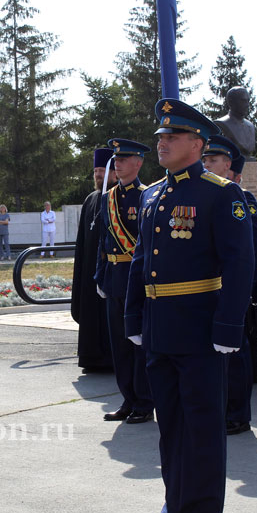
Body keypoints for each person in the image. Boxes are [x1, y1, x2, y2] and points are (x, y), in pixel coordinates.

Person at [126, 99, 253, 513]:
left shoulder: (221, 194)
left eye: (171, 137)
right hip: (160, 327)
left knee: (202, 428)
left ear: (197, 144)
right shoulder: (152, 193)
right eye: (160, 137)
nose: (162, 143)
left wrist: (228, 326)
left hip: (200, 328)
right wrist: (133, 316)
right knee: (171, 428)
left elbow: (240, 263)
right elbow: (142, 260)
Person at [201, 135, 257, 435]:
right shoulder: (203, 195)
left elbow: (256, 243)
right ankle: (220, 408)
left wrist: (243, 284)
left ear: (228, 166)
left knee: (236, 354)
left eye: (213, 160)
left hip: (231, 289)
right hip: (206, 290)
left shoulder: (240, 197)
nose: (206, 164)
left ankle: (238, 414)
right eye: (204, 159)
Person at [95, 139, 153, 424]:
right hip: (115, 278)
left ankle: (144, 401)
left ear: (138, 162)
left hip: (137, 278)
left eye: (124, 158)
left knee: (138, 343)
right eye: (116, 159)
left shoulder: (146, 196)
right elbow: (103, 242)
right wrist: (100, 275)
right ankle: (128, 399)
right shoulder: (107, 198)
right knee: (119, 344)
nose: (117, 163)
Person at [71, 148, 116, 372]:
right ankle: (90, 359)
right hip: (89, 269)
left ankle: (109, 360)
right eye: (96, 171)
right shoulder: (90, 199)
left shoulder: (119, 197)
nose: (99, 175)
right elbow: (81, 242)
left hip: (111, 272)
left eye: (103, 171)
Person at [213, 86, 256, 156]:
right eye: (243, 101)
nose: (247, 105)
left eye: (248, 101)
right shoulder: (222, 123)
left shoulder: (250, 126)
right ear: (231, 102)